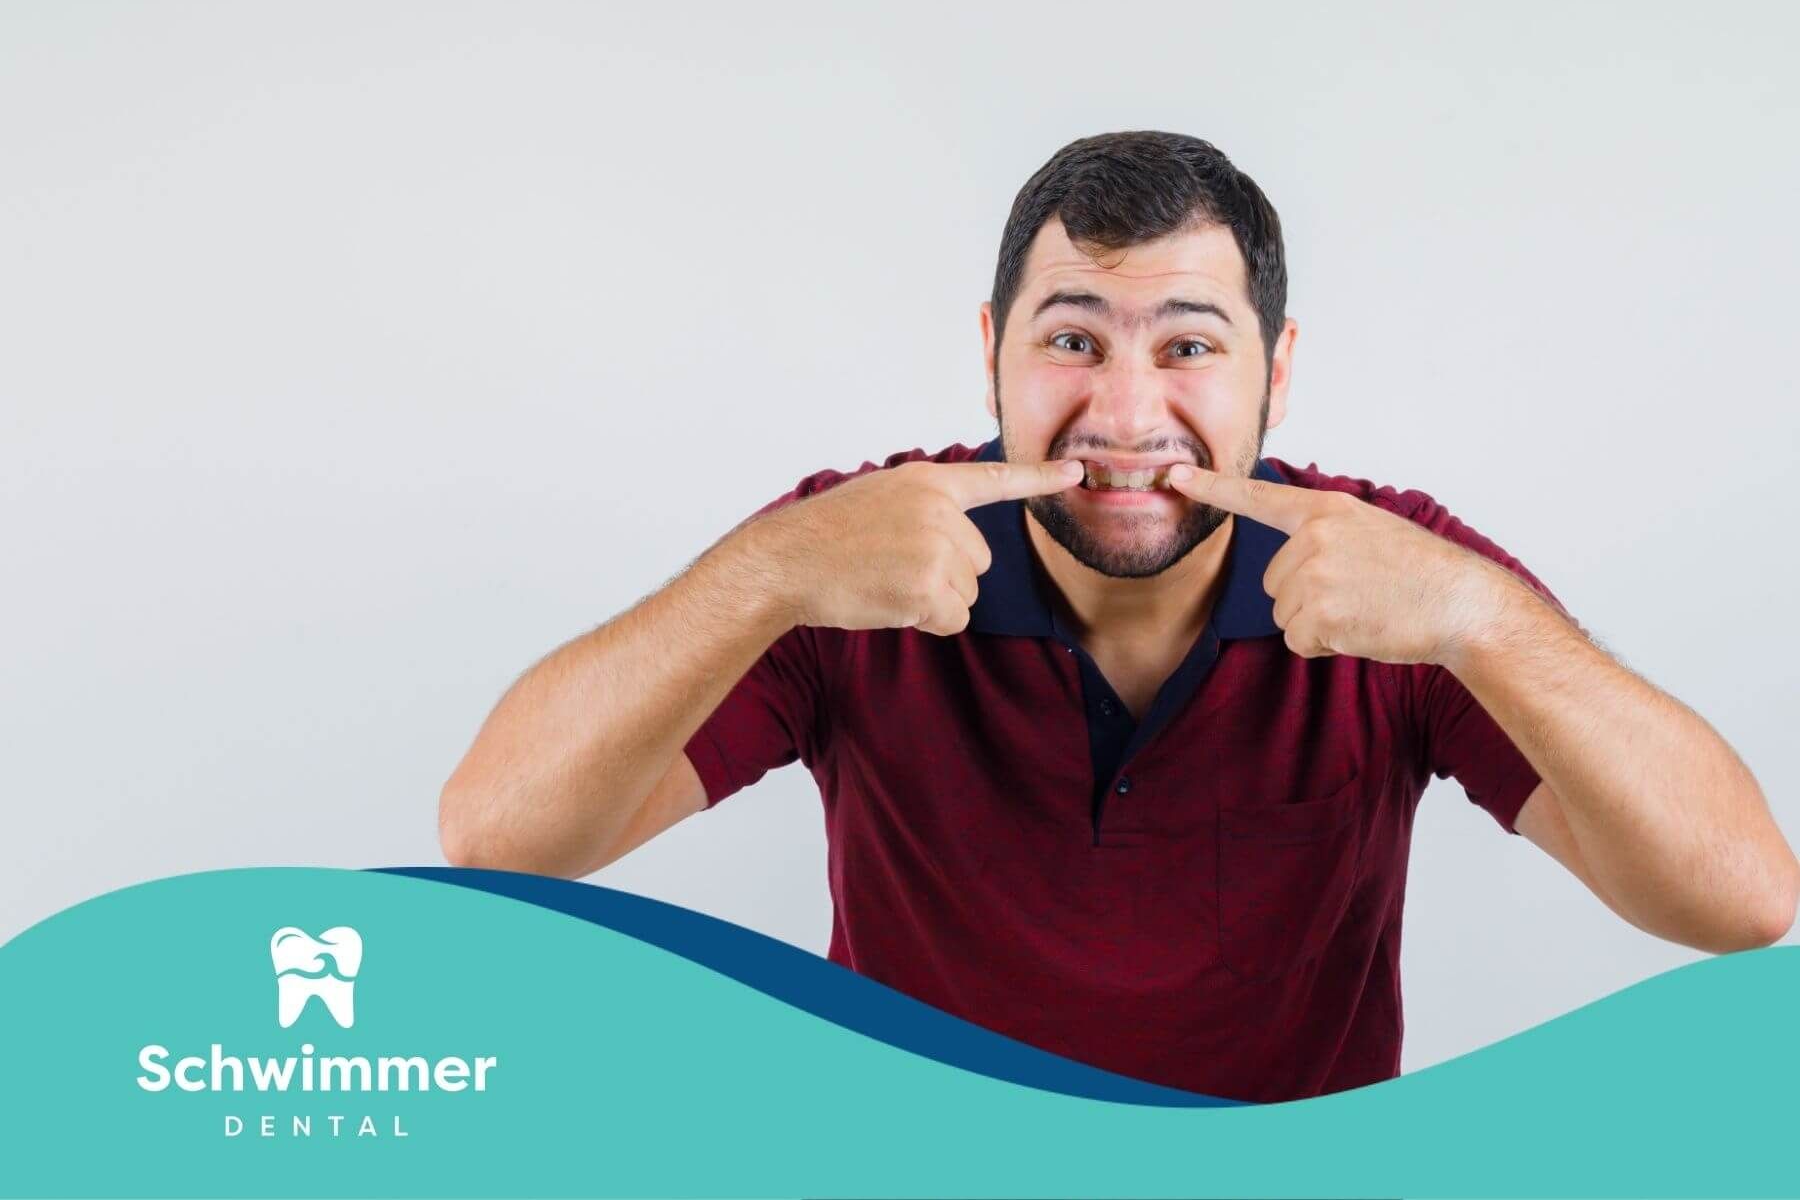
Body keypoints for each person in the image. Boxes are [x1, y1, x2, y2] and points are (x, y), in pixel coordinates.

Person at [438, 130, 1797, 1103]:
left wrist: (1483, 625)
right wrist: (771, 573)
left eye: (1190, 345)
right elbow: (500, 838)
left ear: (1281, 368)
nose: (1129, 416)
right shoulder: (851, 553)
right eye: (1073, 339)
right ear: (992, 353)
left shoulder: (1399, 579)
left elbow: (1742, 904)